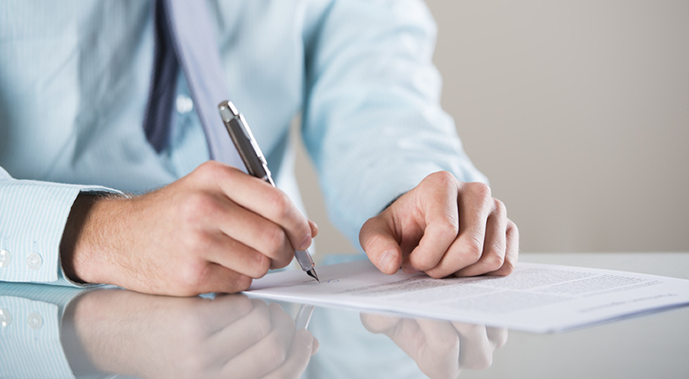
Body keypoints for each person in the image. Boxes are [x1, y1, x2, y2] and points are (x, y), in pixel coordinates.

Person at [0, 0, 518, 296]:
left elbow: (377, 88)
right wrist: (101, 234)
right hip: (33, 318)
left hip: (268, 321)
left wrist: (413, 193)